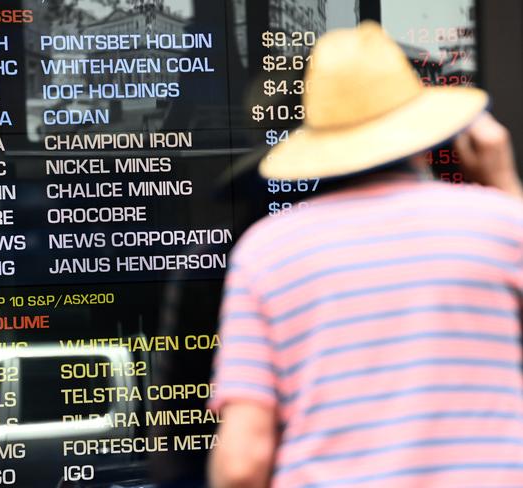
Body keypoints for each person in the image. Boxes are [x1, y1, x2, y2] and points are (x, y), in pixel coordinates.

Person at [208, 21, 523, 488]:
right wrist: (504, 183)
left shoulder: (266, 253)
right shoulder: (502, 225)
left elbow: (242, 462)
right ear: (427, 131)